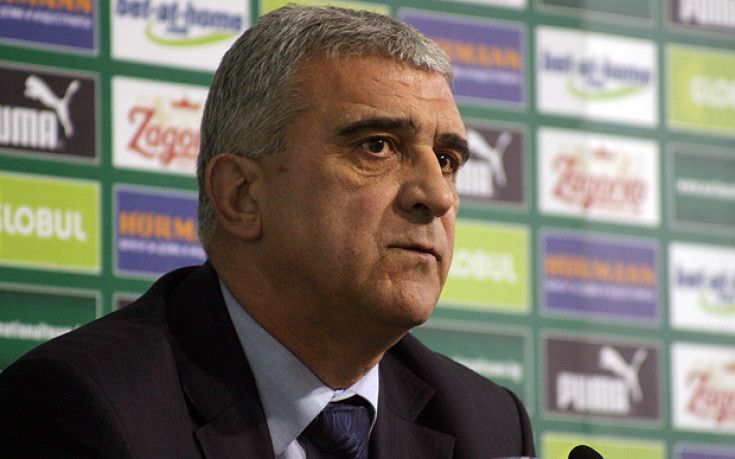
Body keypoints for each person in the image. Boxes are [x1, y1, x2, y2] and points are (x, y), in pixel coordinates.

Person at [0, 6, 535, 458]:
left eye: (446, 160)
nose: (437, 196)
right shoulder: (83, 409)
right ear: (241, 196)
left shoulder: (486, 426)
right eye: (377, 146)